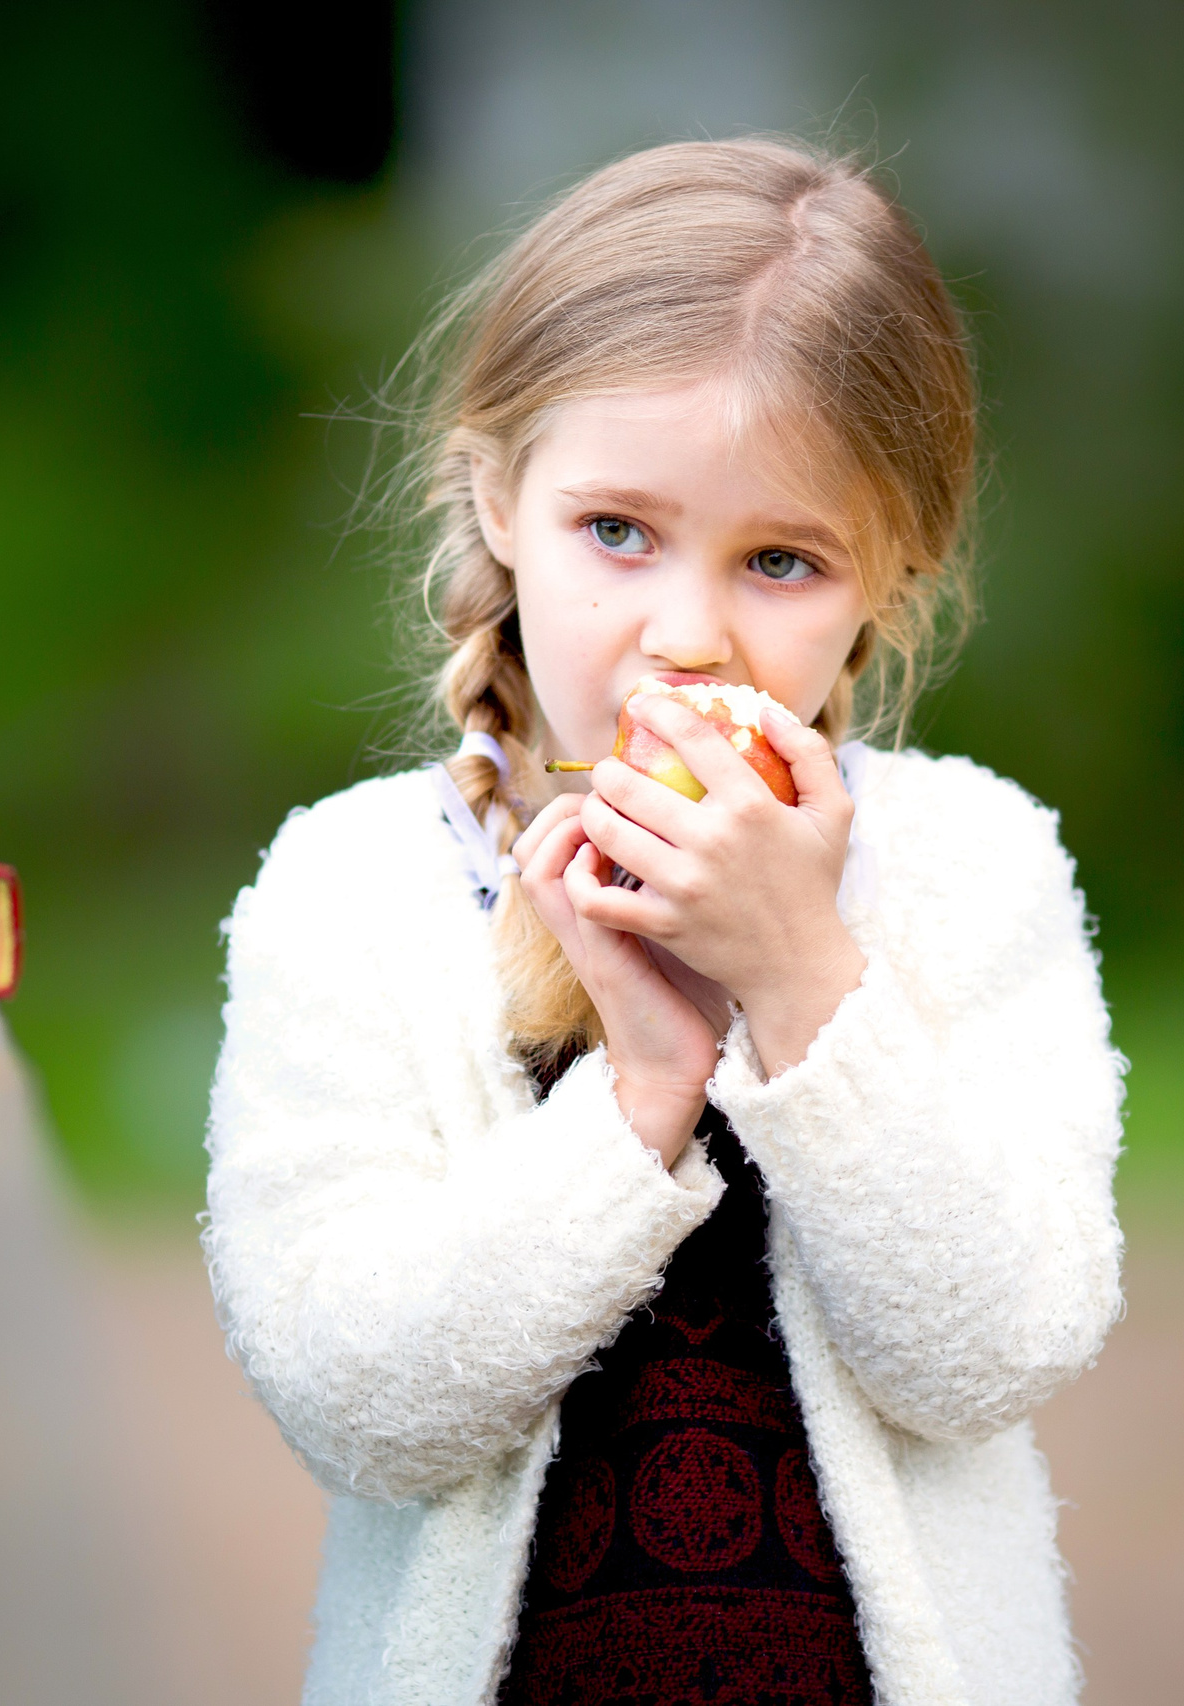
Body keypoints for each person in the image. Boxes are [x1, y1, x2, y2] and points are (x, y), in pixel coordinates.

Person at [204, 136, 1126, 1705]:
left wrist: (800, 974)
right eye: (616, 532)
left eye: (779, 559)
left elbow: (996, 1347)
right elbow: (355, 1397)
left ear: (887, 576)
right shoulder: (355, 891)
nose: (687, 636)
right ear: (499, 495)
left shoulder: (975, 867)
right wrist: (633, 1106)